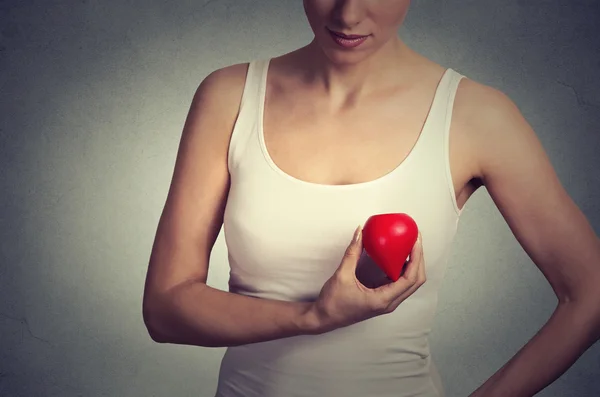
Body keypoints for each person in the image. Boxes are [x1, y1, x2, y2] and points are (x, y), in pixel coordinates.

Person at [142, 1, 600, 396]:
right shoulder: (228, 96)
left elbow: (590, 293)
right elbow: (165, 309)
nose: (347, 13)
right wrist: (313, 316)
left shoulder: (477, 115)